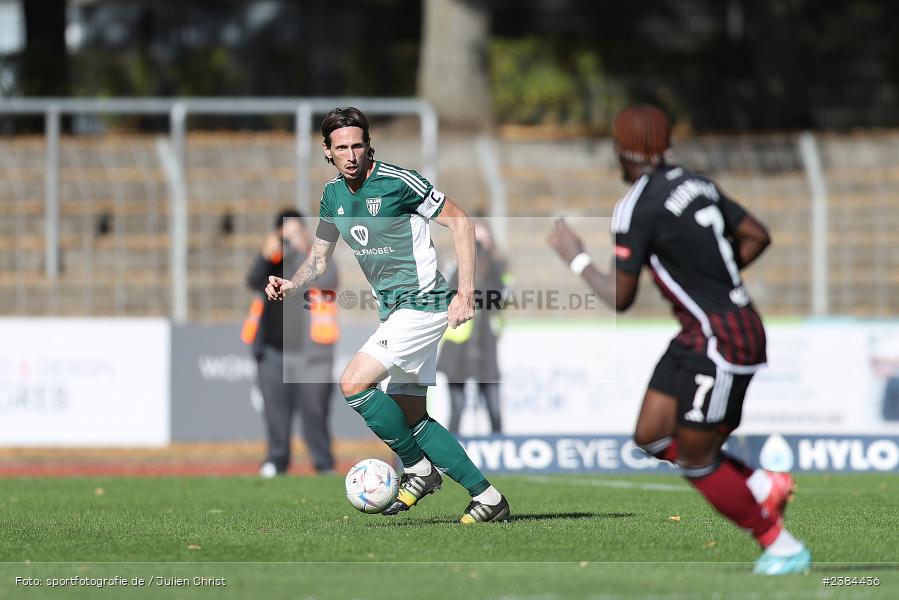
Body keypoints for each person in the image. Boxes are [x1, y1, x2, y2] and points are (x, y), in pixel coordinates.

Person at [548, 104, 810, 575]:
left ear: (623, 151)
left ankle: (780, 543)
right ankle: (759, 483)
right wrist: (711, 276)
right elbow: (757, 236)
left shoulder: (637, 206)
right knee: (650, 436)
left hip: (721, 340)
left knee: (696, 460)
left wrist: (576, 258)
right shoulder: (698, 184)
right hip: (702, 332)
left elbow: (620, 297)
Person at [265, 107, 509, 523]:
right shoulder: (332, 196)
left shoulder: (398, 181)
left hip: (424, 304)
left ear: (368, 144)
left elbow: (461, 223)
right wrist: (293, 282)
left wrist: (464, 293)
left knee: (353, 382)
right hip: (395, 311)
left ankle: (417, 469)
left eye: (357, 144)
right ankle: (487, 498)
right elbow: (320, 258)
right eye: (341, 147)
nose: (351, 154)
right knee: (410, 413)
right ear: (327, 151)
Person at [244, 208, 339, 477]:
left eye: (296, 233)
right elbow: (252, 280)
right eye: (285, 235)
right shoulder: (272, 262)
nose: (290, 240)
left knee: (315, 411)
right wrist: (268, 253)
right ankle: (276, 460)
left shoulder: (317, 259)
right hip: (273, 351)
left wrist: (300, 250)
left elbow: (329, 278)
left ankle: (323, 463)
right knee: (275, 412)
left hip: (311, 353)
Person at [438, 221, 509, 434]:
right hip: (458, 346)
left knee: (494, 407)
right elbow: (449, 294)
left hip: (486, 344)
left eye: (482, 240)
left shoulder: (497, 267)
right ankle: (451, 456)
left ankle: (500, 454)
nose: (477, 245)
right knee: (457, 407)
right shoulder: (454, 266)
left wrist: (480, 281)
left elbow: (500, 297)